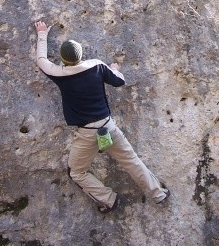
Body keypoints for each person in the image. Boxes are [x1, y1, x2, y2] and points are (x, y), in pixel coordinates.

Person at [34, 20, 170, 213]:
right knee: (131, 161)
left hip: (87, 134)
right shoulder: (96, 66)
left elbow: (41, 61)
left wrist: (42, 34)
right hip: (108, 126)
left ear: (63, 59)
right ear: (81, 54)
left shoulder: (59, 74)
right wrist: (113, 69)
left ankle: (109, 200)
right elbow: (119, 81)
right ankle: (158, 193)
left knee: (76, 172)